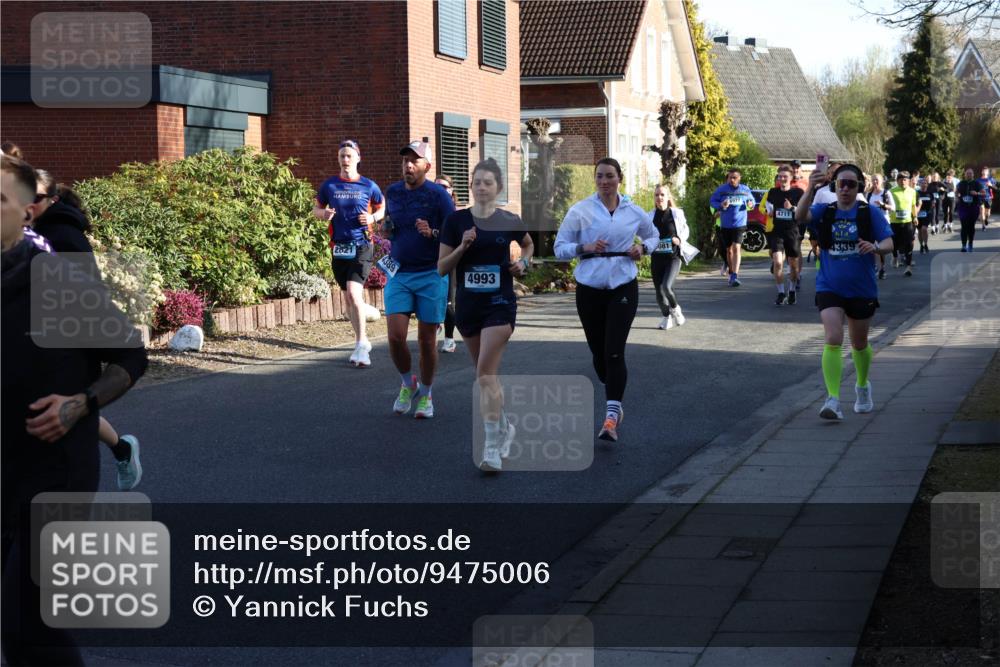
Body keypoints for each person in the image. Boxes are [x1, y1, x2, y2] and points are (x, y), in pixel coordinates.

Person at [2, 154, 148, 666]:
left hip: (57, 469)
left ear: (28, 212)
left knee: (27, 622)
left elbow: (132, 354)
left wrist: (81, 404)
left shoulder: (57, 281)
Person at [30, 174, 143, 490]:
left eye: (33, 199)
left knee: (62, 415)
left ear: (50, 200)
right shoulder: (34, 234)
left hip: (62, 350)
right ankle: (121, 447)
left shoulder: (62, 237)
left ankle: (121, 447)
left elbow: (90, 303)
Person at [554, 158, 658, 442]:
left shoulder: (633, 211)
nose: (604, 181)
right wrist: (583, 247)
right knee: (598, 354)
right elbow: (559, 248)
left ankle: (611, 417)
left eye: (609, 176)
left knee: (614, 351)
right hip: (589, 288)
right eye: (599, 176)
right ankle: (611, 382)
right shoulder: (581, 211)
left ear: (619, 179)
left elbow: (653, 235)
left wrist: (642, 247)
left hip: (623, 285)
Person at [438, 158, 533, 471]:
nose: (481, 187)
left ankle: (491, 446)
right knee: (484, 376)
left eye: (487, 182)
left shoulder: (509, 219)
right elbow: (441, 268)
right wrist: (462, 248)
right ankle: (505, 425)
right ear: (470, 187)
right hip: (467, 307)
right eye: (476, 182)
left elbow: (529, 244)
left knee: (485, 374)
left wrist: (524, 263)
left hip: (500, 304)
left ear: (499, 188)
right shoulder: (456, 221)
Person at [796, 163, 894, 420]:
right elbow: (800, 216)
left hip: (861, 288)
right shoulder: (824, 211)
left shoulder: (868, 213)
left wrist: (874, 247)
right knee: (832, 338)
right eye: (841, 184)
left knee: (859, 344)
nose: (846, 189)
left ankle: (862, 386)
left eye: (851, 184)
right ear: (834, 186)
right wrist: (809, 188)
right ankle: (833, 399)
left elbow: (889, 242)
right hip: (829, 286)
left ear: (859, 187)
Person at [381, 140, 455, 418]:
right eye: (405, 161)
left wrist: (433, 232)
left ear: (427, 166)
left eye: (414, 161)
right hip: (399, 273)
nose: (408, 165)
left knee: (426, 341)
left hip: (431, 274)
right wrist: (386, 229)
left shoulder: (439, 196)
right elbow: (391, 225)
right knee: (395, 337)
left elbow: (454, 234)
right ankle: (406, 382)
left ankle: (426, 394)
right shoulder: (394, 192)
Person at [313, 139, 385, 368]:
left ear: (358, 159)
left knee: (354, 294)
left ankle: (362, 343)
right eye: (342, 156)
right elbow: (315, 209)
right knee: (348, 297)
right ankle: (359, 341)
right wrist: (322, 214)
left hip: (362, 245)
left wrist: (373, 217)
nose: (345, 160)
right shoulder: (329, 186)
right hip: (339, 247)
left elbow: (383, 207)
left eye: (349, 156)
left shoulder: (368, 185)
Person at [648, 184, 693, 328]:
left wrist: (679, 239)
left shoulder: (676, 213)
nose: (659, 197)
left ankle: (676, 309)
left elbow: (685, 230)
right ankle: (666, 318)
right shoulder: (650, 216)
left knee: (666, 287)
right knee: (659, 294)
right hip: (657, 258)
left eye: (662, 195)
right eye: (656, 195)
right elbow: (645, 235)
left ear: (667, 197)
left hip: (673, 257)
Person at [762, 166, 805, 305]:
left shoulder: (798, 192)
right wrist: (768, 211)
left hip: (792, 232)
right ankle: (781, 292)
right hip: (777, 231)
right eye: (780, 176)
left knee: (793, 265)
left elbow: (804, 211)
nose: (782, 179)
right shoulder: (773, 192)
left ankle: (791, 290)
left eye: (785, 176)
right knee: (778, 262)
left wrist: (791, 208)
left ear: (791, 178)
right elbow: (766, 206)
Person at [709, 168, 755, 286]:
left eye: (734, 178)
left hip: (740, 223)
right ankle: (731, 271)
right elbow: (712, 201)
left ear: (739, 178)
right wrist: (720, 205)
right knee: (729, 251)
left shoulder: (745, 189)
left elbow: (751, 201)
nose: (732, 180)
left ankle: (735, 275)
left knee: (736, 248)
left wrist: (751, 204)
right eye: (730, 177)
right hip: (726, 224)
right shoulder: (722, 190)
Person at [435, 174, 460, 354]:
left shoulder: (456, 213)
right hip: (429, 260)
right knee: (431, 297)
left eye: (444, 187)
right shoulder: (428, 209)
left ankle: (449, 340)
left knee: (449, 300)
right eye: (437, 186)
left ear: (451, 191)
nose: (440, 190)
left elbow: (457, 238)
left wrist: (434, 232)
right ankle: (436, 322)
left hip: (450, 260)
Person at [888, 171, 918, 276]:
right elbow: (888, 205)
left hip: (908, 221)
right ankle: (895, 256)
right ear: (897, 181)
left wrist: (915, 217)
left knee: (909, 243)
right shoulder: (891, 191)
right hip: (894, 221)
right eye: (901, 180)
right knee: (894, 243)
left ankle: (908, 267)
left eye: (905, 180)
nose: (903, 182)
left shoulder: (913, 192)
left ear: (909, 181)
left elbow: (913, 205)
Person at [866, 173, 893, 280]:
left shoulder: (886, 193)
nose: (875, 182)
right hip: (871, 223)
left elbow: (893, 208)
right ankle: (878, 267)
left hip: (884, 222)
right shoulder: (868, 194)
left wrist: (882, 204)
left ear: (882, 181)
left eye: (877, 180)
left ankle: (882, 267)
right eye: (873, 180)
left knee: (881, 246)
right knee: (874, 244)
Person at [956, 167, 987, 252]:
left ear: (973, 175)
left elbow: (984, 193)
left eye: (970, 173)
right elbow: (956, 191)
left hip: (973, 207)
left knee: (971, 226)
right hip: (963, 207)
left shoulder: (977, 183)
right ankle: (963, 245)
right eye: (967, 173)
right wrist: (957, 196)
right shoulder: (961, 183)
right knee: (964, 225)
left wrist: (977, 193)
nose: (969, 175)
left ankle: (970, 243)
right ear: (965, 174)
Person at [915, 175, 938, 254]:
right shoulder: (917, 193)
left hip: (927, 213)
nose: (924, 185)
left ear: (927, 185)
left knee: (924, 229)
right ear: (920, 184)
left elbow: (933, 202)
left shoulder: (930, 193)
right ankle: (921, 245)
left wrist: (933, 204)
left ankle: (926, 244)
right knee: (919, 230)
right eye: (922, 183)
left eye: (925, 183)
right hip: (918, 214)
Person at [942, 168, 957, 233]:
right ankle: (945, 225)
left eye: (950, 176)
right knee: (945, 213)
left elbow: (954, 189)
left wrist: (946, 190)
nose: (949, 177)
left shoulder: (954, 181)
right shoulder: (943, 182)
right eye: (948, 176)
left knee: (951, 212)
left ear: (952, 176)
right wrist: (945, 190)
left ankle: (950, 225)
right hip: (945, 198)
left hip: (952, 198)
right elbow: (941, 189)